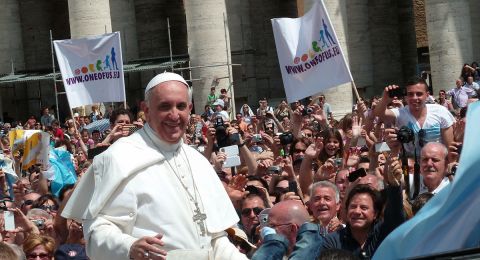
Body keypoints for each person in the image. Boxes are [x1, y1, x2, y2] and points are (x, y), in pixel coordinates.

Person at [62, 72, 247, 259]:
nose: (174, 115)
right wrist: (129, 246)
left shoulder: (199, 162)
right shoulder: (118, 158)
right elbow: (96, 231)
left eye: (181, 106)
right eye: (165, 106)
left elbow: (216, 240)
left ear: (190, 108)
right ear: (146, 109)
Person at [374, 77, 455, 157]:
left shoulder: (440, 111)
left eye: (419, 94)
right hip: (411, 165)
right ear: (405, 96)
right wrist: (385, 98)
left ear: (427, 95)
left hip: (436, 164)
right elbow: (378, 113)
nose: (414, 98)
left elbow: (450, 146)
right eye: (410, 94)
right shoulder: (400, 113)